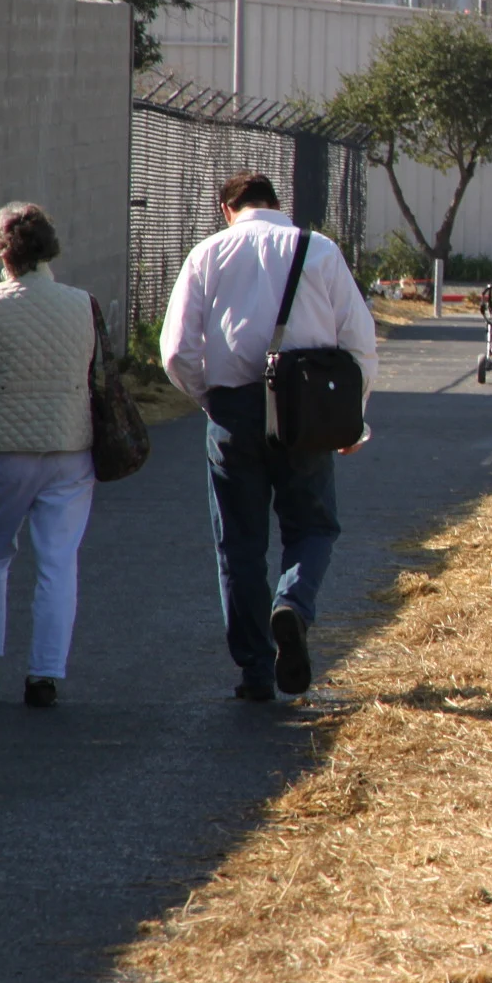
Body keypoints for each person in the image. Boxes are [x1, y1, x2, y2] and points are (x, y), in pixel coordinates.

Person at [161, 171, 378, 701]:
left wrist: (209, 399)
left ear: (226, 207)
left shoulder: (207, 254)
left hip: (232, 407)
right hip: (305, 408)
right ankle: (294, 605)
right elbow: (359, 340)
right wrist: (353, 418)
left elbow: (176, 352)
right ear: (278, 204)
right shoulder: (319, 250)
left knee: (239, 543)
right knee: (313, 526)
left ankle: (255, 669)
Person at [0, 203, 99, 707]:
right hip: (69, 446)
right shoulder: (84, 303)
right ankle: (45, 675)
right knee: (58, 562)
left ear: (0, 251)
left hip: (2, 448)